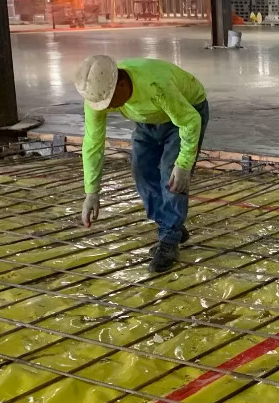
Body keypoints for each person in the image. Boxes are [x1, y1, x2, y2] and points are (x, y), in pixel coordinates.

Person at [73, 55, 209, 273]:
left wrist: (184, 164)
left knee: (170, 174)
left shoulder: (156, 85)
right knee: (142, 171)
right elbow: (92, 143)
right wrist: (91, 191)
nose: (105, 108)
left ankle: (169, 240)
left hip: (187, 111)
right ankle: (169, 225)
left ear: (122, 83)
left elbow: (190, 121)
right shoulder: (98, 94)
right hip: (149, 120)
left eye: (108, 102)